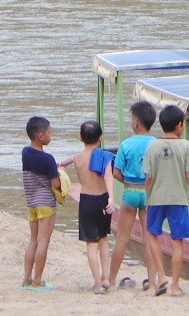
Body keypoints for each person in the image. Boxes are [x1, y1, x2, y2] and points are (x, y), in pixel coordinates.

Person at [142, 104, 189, 298]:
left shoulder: (152, 145)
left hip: (156, 198)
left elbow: (148, 176)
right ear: (179, 125)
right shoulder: (186, 146)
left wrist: (147, 195)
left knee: (152, 234)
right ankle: (175, 286)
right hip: (178, 200)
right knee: (177, 241)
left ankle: (161, 275)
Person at [106, 100, 165, 293]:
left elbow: (116, 173)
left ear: (135, 123)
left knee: (122, 239)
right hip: (149, 194)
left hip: (130, 193)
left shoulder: (126, 144)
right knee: (150, 239)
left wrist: (128, 183)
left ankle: (111, 281)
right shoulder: (157, 144)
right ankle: (153, 282)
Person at [22, 114, 73, 291]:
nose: (51, 135)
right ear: (41, 136)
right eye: (49, 133)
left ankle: (27, 278)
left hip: (31, 202)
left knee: (33, 240)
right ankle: (37, 280)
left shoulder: (25, 152)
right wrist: (60, 175)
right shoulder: (48, 159)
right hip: (46, 203)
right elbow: (55, 184)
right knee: (44, 241)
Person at [67, 119, 116, 293]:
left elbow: (66, 162)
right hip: (103, 199)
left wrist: (61, 165)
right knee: (103, 239)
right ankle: (105, 278)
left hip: (87, 200)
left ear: (80, 138)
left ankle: (97, 284)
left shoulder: (77, 158)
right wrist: (111, 198)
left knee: (91, 243)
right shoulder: (104, 156)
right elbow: (109, 177)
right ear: (100, 138)